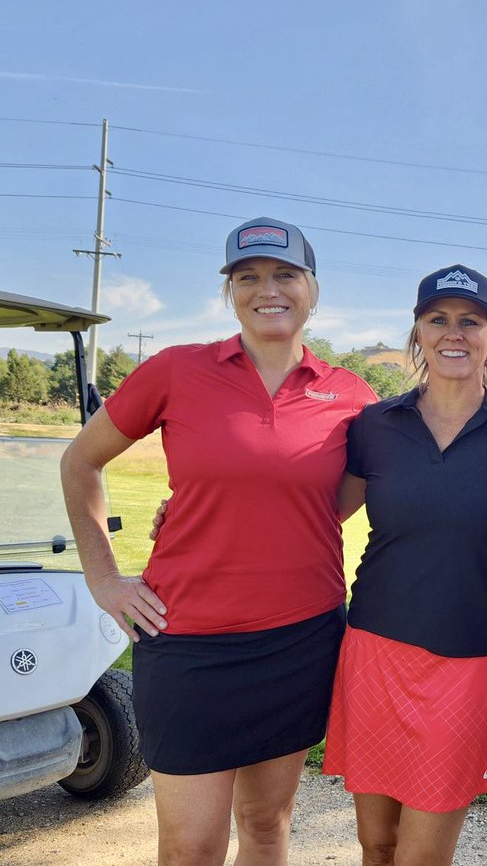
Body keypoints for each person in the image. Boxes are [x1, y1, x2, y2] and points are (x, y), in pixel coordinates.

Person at [61, 217, 377, 865]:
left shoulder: (350, 395)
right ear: (230, 291)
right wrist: (104, 578)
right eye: (248, 276)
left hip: (299, 640)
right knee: (191, 845)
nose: (269, 289)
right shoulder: (177, 371)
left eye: (286, 274)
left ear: (312, 290)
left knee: (266, 824)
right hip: (187, 642)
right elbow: (80, 462)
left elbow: (342, 499)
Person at [321, 265, 487, 866]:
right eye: (438, 319)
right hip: (376, 649)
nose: (454, 333)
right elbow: (319, 513)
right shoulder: (376, 426)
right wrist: (193, 510)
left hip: (468, 656)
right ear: (418, 334)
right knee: (377, 846)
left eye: (470, 321)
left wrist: (477, 513)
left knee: (422, 856)